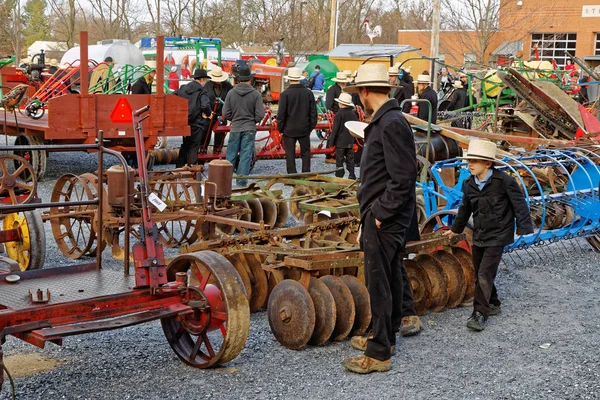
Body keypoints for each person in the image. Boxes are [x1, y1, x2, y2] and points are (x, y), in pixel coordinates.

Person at [341, 64, 419, 374]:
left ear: (363, 92)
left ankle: (378, 354)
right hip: (383, 216)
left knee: (380, 282)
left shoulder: (390, 123)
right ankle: (385, 337)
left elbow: (404, 177)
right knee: (389, 276)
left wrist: (379, 214)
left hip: (384, 217)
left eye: (358, 92)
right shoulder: (387, 120)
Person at [444, 140, 533, 331]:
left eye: (475, 161)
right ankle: (493, 303)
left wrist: (524, 228)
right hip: (480, 234)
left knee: (485, 273)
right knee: (480, 271)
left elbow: (519, 205)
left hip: (499, 235)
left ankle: (480, 314)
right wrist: (455, 230)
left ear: (488, 163)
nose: (470, 164)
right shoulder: (469, 184)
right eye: (469, 161)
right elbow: (464, 209)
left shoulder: (505, 182)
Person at [222, 66, 265, 185]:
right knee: (246, 155)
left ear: (238, 79)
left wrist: (234, 119)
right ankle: (241, 183)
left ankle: (225, 182)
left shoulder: (231, 93)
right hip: (249, 128)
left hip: (235, 127)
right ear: (250, 80)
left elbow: (225, 112)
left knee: (231, 154)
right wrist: (252, 121)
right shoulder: (255, 94)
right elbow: (260, 113)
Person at [277, 67, 317, 173]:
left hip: (288, 129)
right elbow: (313, 112)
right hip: (304, 127)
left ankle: (292, 175)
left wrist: (280, 128)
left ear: (289, 79)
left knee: (290, 154)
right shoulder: (308, 93)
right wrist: (310, 126)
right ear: (299, 78)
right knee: (305, 153)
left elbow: (281, 114)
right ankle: (306, 174)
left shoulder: (285, 94)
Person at [173, 69, 212, 168]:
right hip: (197, 122)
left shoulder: (183, 88)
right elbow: (206, 106)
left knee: (185, 144)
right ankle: (192, 167)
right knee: (194, 145)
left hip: (184, 121)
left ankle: (179, 166)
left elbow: (172, 96)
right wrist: (207, 114)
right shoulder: (202, 91)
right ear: (202, 79)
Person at [327, 93, 357, 179]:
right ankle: (352, 174)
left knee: (339, 159)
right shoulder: (353, 114)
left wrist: (331, 142)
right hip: (350, 140)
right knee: (350, 159)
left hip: (340, 141)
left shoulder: (339, 115)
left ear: (340, 103)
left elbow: (335, 130)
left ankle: (339, 174)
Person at [205, 66, 233, 153]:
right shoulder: (206, 86)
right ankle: (202, 157)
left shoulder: (228, 86)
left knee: (220, 139)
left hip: (222, 115)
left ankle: (217, 155)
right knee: (205, 138)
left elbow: (232, 98)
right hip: (209, 115)